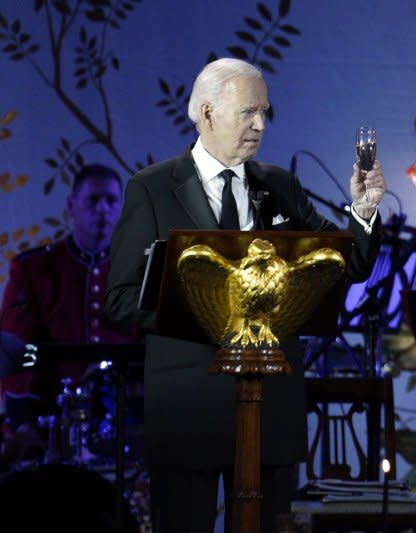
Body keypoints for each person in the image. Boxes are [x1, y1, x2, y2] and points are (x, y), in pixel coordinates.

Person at [104, 57, 385, 533]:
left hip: (270, 404)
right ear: (208, 112)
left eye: (265, 113)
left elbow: (346, 266)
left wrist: (363, 213)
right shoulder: (151, 190)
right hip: (188, 407)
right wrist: (209, 311)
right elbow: (120, 299)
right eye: (248, 112)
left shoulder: (279, 186)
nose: (260, 125)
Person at [0, 164, 138, 433]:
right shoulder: (33, 269)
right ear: (71, 206)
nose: (102, 209)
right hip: (50, 415)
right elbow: (17, 351)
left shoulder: (139, 270)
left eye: (110, 201)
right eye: (92, 200)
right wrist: (25, 423)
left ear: (122, 208)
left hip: (126, 414)